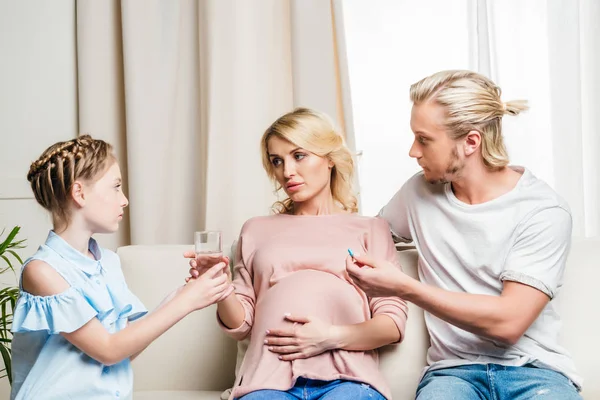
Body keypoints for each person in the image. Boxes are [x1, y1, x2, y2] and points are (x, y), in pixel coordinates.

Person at [345, 70, 582, 399]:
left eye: (424, 139)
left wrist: (405, 288)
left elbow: (508, 323)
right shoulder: (417, 193)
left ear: (471, 141)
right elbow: (359, 239)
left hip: (534, 371)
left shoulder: (542, 210)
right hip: (452, 374)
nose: (413, 151)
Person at [186, 108, 407, 400]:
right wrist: (219, 286)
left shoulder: (371, 229)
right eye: (277, 161)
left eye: (298, 155)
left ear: (329, 158)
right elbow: (241, 324)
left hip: (348, 380)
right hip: (266, 382)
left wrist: (328, 336)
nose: (286, 172)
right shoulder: (256, 230)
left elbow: (391, 324)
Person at [11, 135, 232, 400]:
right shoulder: (42, 271)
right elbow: (108, 349)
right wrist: (185, 302)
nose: (124, 200)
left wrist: (187, 293)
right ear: (79, 193)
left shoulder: (108, 262)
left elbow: (125, 348)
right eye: (116, 187)